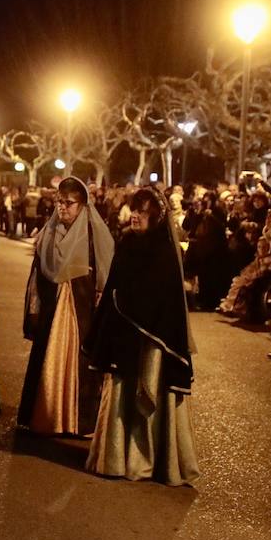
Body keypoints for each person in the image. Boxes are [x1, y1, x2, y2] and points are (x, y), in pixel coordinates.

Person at [84, 189, 199, 485]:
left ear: (156, 217)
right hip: (124, 335)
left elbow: (163, 300)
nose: (135, 216)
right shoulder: (127, 243)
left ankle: (147, 459)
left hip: (152, 342)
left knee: (148, 393)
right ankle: (114, 458)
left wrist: (132, 308)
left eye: (143, 212)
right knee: (120, 392)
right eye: (134, 210)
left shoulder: (163, 252)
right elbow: (115, 284)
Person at [16, 176, 114, 436]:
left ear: (82, 206)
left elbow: (104, 277)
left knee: (81, 365)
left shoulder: (93, 237)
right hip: (51, 310)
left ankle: (78, 421)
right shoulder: (49, 234)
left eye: (69, 203)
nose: (63, 208)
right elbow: (38, 274)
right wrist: (35, 307)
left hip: (82, 315)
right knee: (46, 361)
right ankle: (46, 414)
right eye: (59, 202)